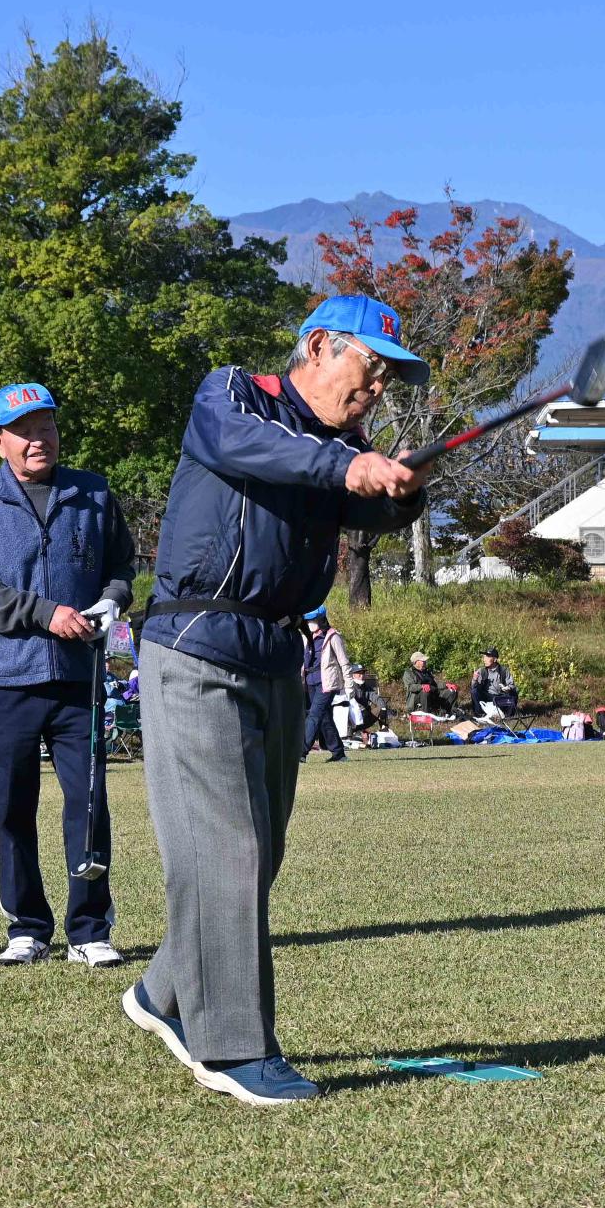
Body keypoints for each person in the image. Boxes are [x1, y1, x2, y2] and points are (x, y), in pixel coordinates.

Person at [127, 292, 429, 1105]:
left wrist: (400, 492)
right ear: (320, 345)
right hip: (195, 644)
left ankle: (162, 991)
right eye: (370, 367)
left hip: (277, 653)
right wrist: (351, 464)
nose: (376, 390)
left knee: (258, 851)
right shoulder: (232, 395)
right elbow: (258, 449)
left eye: (388, 380)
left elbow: (362, 499)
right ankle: (230, 1045)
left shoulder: (343, 442)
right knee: (223, 846)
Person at [0, 380, 136, 969]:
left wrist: (113, 600)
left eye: (47, 426)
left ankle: (90, 927)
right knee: (12, 805)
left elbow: (121, 566)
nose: (39, 440)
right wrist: (43, 613)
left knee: (88, 803)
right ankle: (26, 926)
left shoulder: (94, 492)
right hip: (6, 678)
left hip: (79, 678)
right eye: (24, 430)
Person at [300, 607, 353, 762]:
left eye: (312, 621)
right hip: (310, 682)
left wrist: (349, 685)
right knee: (324, 718)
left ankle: (301, 752)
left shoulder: (333, 636)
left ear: (321, 620)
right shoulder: (305, 637)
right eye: (308, 621)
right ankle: (338, 753)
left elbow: (344, 662)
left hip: (327, 683)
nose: (309, 624)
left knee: (314, 715)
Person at [400, 649, 455, 716]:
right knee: (425, 691)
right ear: (416, 662)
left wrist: (446, 685)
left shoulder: (426, 672)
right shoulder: (408, 673)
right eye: (423, 661)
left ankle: (445, 713)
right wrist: (422, 686)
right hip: (417, 698)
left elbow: (435, 684)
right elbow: (410, 687)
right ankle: (425, 715)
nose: (425, 662)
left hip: (433, 694)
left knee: (452, 691)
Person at [470, 647, 519, 717]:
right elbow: (474, 688)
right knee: (474, 691)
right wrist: (474, 679)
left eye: (488, 657)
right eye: (484, 657)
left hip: (500, 698)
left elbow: (512, 685)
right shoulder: (481, 671)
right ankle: (480, 714)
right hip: (486, 697)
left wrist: (507, 688)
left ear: (495, 659)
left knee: (514, 693)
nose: (484, 659)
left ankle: (508, 715)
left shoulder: (504, 670)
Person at [343, 661, 385, 741]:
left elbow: (376, 697)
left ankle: (384, 734)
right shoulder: (349, 686)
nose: (361, 676)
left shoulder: (366, 686)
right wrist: (362, 709)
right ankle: (349, 736)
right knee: (347, 710)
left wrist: (383, 708)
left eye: (363, 673)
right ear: (352, 675)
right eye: (358, 673)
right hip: (353, 718)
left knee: (382, 709)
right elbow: (351, 702)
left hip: (365, 717)